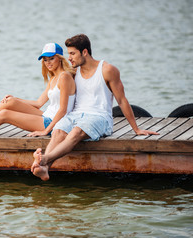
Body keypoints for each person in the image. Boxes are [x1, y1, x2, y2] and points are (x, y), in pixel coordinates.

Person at [31, 34, 159, 181]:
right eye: (68, 54)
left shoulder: (107, 70)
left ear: (84, 52)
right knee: (59, 130)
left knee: (75, 132)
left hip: (99, 117)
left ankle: (44, 159)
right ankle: (45, 169)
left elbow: (122, 100)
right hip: (76, 115)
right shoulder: (74, 72)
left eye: (72, 54)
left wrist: (136, 129)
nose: (69, 58)